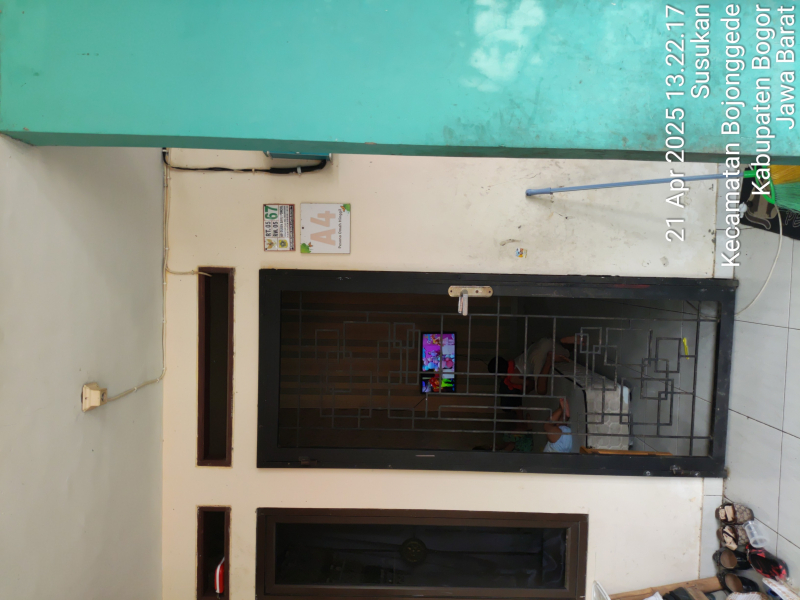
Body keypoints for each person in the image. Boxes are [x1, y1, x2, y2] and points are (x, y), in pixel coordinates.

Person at [488, 336, 575, 396]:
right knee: (567, 354)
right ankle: (565, 342)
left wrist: (525, 392)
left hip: (536, 356)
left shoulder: (512, 378)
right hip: (544, 342)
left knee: (540, 390)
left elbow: (531, 384)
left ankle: (549, 360)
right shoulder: (514, 361)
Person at [501, 397, 574, 453]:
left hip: (565, 445)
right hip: (559, 443)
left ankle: (565, 415)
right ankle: (561, 409)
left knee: (558, 427)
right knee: (547, 425)